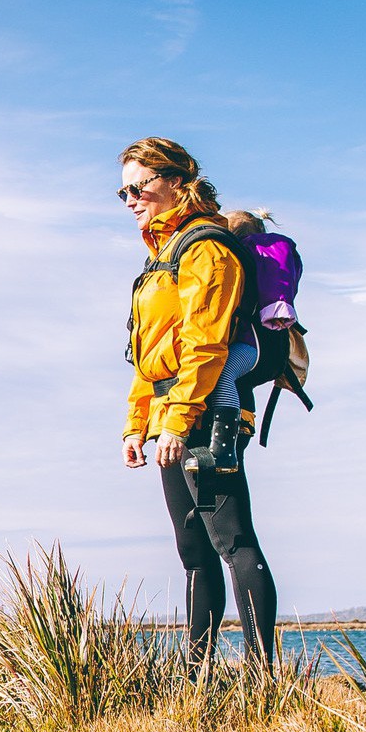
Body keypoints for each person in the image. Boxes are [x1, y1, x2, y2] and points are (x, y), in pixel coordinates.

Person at [118, 138, 279, 669]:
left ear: (176, 180)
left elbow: (205, 345)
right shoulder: (159, 255)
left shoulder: (204, 248)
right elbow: (151, 356)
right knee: (194, 555)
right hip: (170, 416)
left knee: (234, 543)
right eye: (122, 193)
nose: (131, 199)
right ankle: (197, 678)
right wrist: (136, 425)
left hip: (207, 410)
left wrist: (181, 422)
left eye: (138, 186)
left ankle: (261, 680)